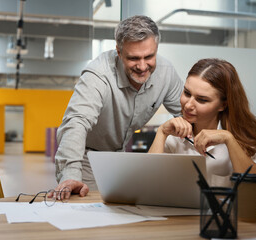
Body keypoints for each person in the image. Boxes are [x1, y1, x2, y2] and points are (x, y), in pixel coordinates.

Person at [54, 15, 184, 198]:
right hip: (86, 157)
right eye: (133, 58)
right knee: (86, 214)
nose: (142, 66)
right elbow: (76, 122)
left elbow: (189, 112)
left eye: (149, 56)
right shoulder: (98, 74)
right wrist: (70, 175)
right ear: (119, 52)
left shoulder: (166, 72)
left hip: (120, 156)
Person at [148, 58, 256, 196]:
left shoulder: (248, 135)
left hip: (231, 217)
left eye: (202, 100)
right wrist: (161, 133)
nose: (188, 105)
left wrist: (229, 139)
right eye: (187, 93)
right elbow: (146, 186)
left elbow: (255, 191)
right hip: (179, 216)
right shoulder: (174, 136)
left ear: (223, 105)